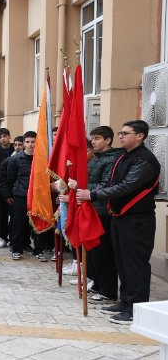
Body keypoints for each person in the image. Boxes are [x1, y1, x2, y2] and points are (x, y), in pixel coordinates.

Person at [76, 120, 161, 325]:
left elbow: (126, 187)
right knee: (122, 263)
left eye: (125, 133)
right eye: (120, 133)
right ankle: (124, 303)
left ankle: (135, 309)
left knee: (135, 265)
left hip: (137, 220)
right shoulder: (124, 156)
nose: (120, 136)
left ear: (140, 136)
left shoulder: (144, 160)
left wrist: (93, 194)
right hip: (120, 217)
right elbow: (112, 183)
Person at [81, 126, 122, 305]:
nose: (93, 142)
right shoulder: (96, 159)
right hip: (92, 209)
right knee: (93, 253)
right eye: (92, 138)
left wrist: (81, 188)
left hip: (104, 212)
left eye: (97, 138)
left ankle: (108, 290)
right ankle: (97, 284)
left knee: (104, 253)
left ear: (108, 140)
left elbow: (105, 186)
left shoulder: (112, 160)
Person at [7, 131, 50, 261]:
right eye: (27, 142)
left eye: (33, 142)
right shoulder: (15, 159)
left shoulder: (43, 159)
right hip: (21, 195)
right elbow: (10, 178)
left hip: (38, 196)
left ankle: (39, 250)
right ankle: (16, 249)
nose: (30, 144)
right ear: (24, 143)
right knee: (18, 223)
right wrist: (11, 194)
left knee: (38, 223)